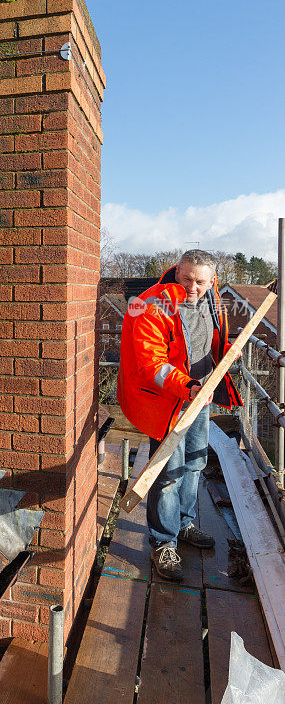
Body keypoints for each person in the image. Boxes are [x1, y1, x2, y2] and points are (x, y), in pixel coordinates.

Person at [117, 249, 242, 581]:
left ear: (212, 280)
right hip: (167, 400)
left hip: (199, 395)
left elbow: (209, 341)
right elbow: (149, 365)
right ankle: (163, 543)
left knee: (196, 462)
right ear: (177, 272)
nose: (192, 287)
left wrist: (228, 352)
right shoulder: (150, 305)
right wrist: (186, 386)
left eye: (200, 281)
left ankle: (184, 523)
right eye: (186, 277)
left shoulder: (212, 298)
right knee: (168, 472)